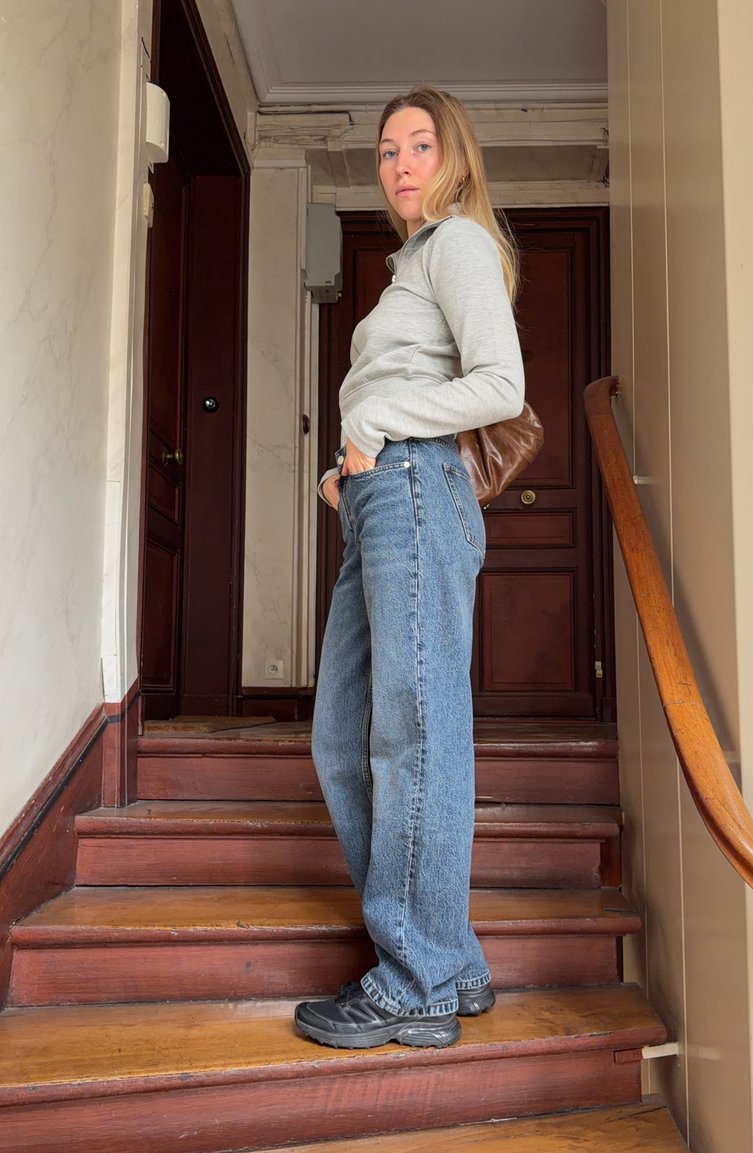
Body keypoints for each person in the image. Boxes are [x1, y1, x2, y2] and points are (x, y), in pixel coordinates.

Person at [294, 85, 525, 1050]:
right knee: (343, 738)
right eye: (388, 150)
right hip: (381, 495)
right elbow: (395, 388)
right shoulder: (408, 268)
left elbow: (500, 384)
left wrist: (381, 427)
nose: (400, 164)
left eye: (420, 145)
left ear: (454, 157)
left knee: (414, 733)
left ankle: (416, 978)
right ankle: (451, 957)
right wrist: (346, 467)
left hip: (420, 486)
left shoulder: (460, 244)